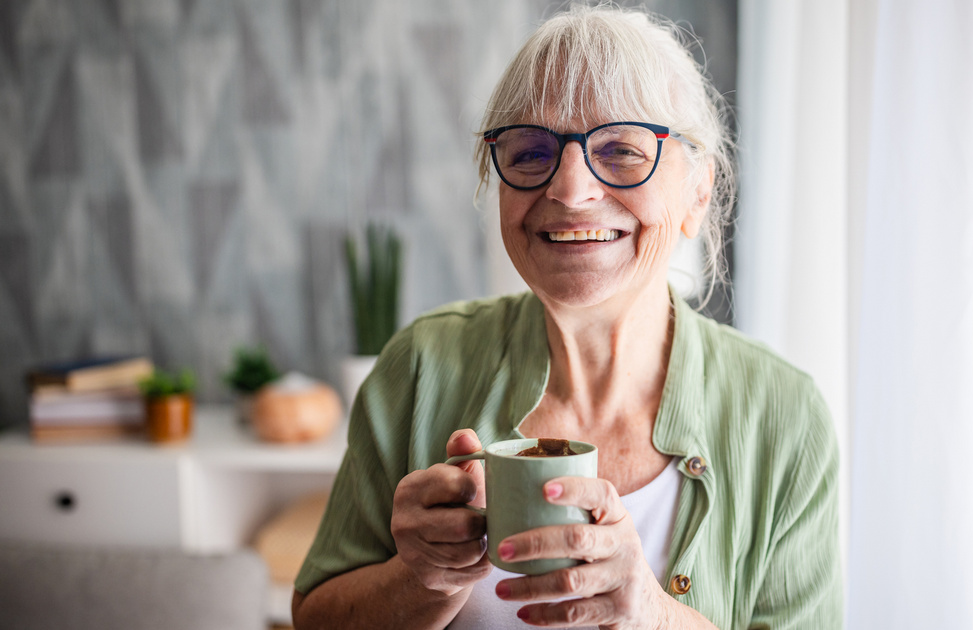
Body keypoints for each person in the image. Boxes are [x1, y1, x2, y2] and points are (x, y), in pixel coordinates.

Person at [291, 5, 841, 629]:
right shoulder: (420, 366)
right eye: (530, 151)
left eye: (621, 150)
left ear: (698, 192)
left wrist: (653, 617)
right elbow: (314, 618)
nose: (571, 190)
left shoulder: (785, 415)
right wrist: (420, 579)